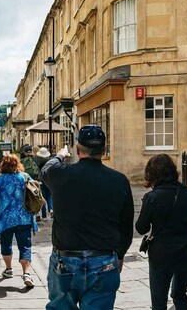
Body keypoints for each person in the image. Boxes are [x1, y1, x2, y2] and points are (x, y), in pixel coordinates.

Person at [41, 125, 133, 309]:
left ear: (77, 149)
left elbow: (46, 168)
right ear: (104, 149)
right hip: (104, 259)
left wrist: (60, 155)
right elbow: (126, 224)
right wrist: (120, 254)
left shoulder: (60, 174)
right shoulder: (119, 180)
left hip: (66, 258)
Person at [136, 154, 187, 310]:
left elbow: (141, 228)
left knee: (159, 302)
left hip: (162, 254)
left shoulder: (152, 197)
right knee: (179, 294)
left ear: (151, 174)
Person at [0, 153, 38, 288]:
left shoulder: (0, 180)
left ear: (3, 165)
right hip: (24, 217)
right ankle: (26, 273)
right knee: (25, 245)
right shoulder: (24, 177)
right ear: (17, 164)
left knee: (6, 244)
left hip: (6, 219)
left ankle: (9, 269)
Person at [33, 146, 54, 220]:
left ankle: (44, 215)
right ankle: (51, 209)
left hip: (41, 179)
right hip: (49, 179)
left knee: (42, 197)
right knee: (49, 195)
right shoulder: (50, 159)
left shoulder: (36, 159)